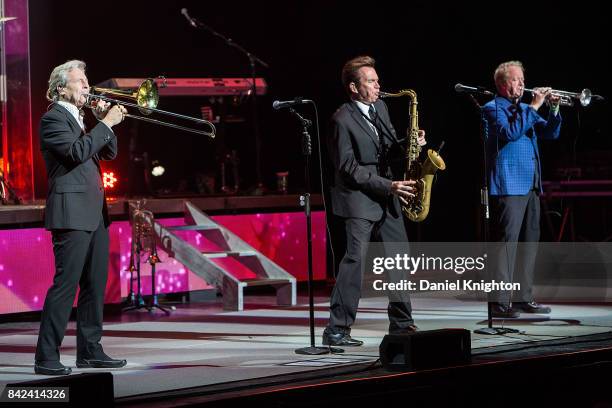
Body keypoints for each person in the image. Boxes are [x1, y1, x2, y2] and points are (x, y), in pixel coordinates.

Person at [324, 56, 426, 346]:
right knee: (354, 261)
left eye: (377, 80)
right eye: (371, 81)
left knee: (399, 260)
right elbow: (348, 167)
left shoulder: (380, 107)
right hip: (359, 199)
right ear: (354, 88)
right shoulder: (340, 119)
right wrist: (388, 185)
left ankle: (402, 323)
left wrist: (410, 144)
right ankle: (337, 330)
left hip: (388, 195)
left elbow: (391, 149)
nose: (378, 85)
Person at [35, 60, 128, 375]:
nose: (88, 87)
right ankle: (46, 356)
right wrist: (106, 125)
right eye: (81, 82)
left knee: (93, 286)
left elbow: (109, 153)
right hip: (71, 214)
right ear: (62, 87)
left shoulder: (80, 119)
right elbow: (75, 153)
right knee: (65, 286)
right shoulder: (52, 119)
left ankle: (90, 350)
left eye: (87, 81)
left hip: (94, 214)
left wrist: (104, 122)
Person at [483, 60, 561, 318]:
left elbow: (550, 133)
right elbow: (510, 133)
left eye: (522, 80)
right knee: (507, 245)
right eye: (517, 80)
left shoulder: (525, 109)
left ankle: (523, 297)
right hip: (508, 184)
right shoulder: (492, 108)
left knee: (529, 243)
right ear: (503, 84)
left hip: (530, 184)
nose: (523, 84)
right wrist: (535, 105)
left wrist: (554, 109)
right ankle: (500, 302)